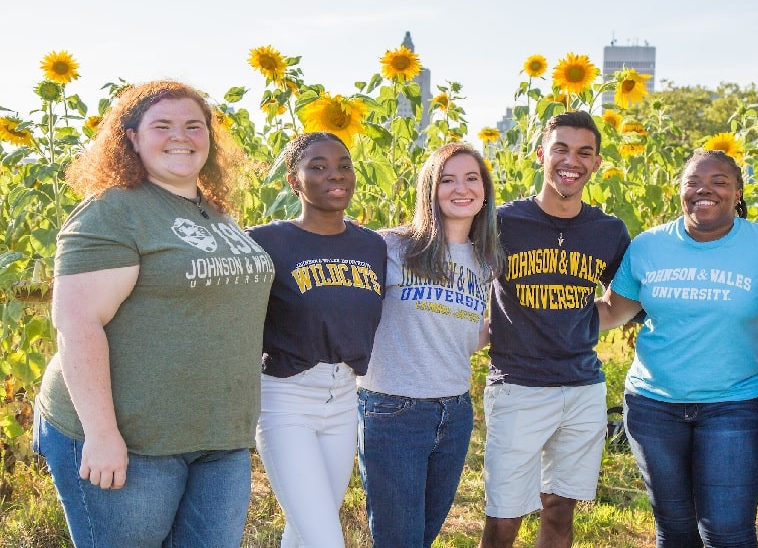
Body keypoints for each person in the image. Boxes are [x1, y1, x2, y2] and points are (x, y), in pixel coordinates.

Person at [33, 80, 275, 547]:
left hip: (218, 438)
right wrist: (102, 435)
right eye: (161, 125)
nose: (180, 136)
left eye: (193, 125)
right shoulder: (114, 212)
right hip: (134, 440)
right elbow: (77, 323)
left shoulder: (214, 212)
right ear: (131, 137)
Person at [596, 149, 758, 547]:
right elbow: (610, 312)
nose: (704, 190)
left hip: (733, 406)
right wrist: (535, 317)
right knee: (674, 530)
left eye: (719, 182)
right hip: (653, 406)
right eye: (693, 182)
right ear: (680, 191)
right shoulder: (649, 245)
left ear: (738, 192)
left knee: (728, 532)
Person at [479, 111, 631, 548]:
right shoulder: (502, 222)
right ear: (541, 153)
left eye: (585, 152)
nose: (572, 161)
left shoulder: (607, 230)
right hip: (517, 387)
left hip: (582, 388)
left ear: (596, 163)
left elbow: (623, 297)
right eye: (561, 148)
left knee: (560, 510)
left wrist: (591, 322)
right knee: (504, 516)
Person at [357, 142, 504, 547]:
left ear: (485, 191)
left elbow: (462, 334)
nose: (462, 188)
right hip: (393, 409)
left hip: (455, 412)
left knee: (423, 535)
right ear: (430, 190)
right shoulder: (391, 247)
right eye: (448, 179)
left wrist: (501, 329)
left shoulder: (484, 262)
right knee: (398, 539)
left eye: (472, 178)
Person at [246, 132, 387, 548]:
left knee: (305, 530)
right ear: (294, 180)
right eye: (318, 167)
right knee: (326, 538)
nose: (335, 175)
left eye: (344, 165)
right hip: (285, 400)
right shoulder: (266, 242)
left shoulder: (371, 245)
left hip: (344, 400)